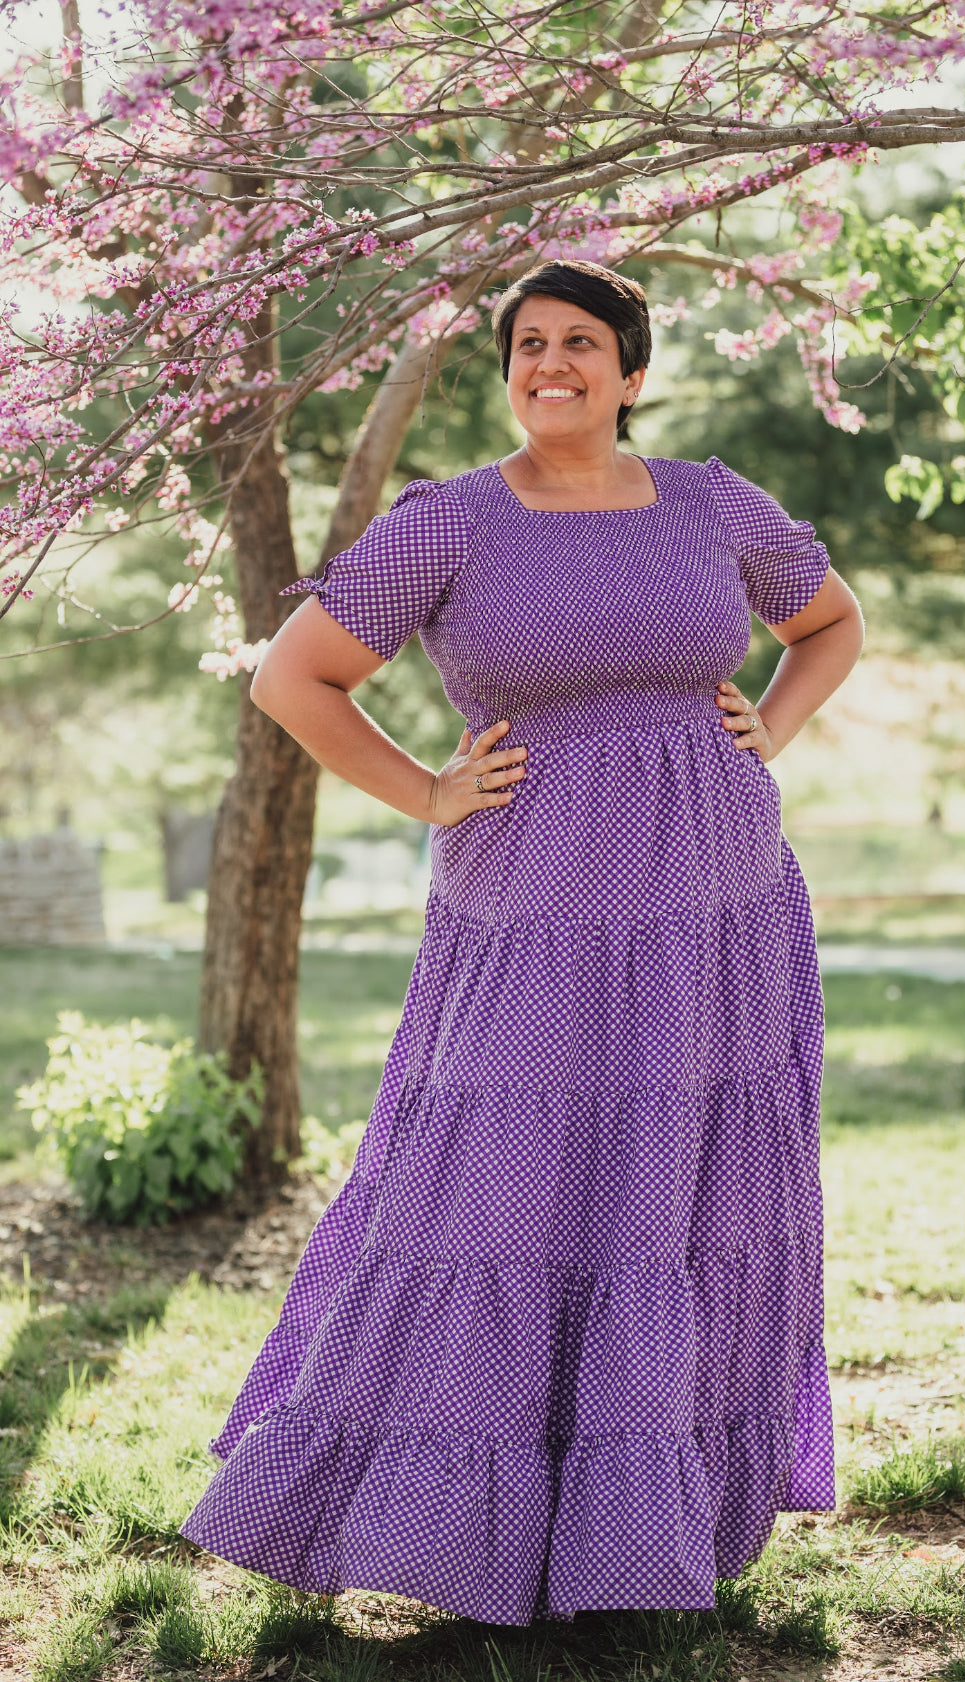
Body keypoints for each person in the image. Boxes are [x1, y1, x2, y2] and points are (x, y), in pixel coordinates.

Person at [181, 258, 865, 1625]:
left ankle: (646, 1535)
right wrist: (428, 789)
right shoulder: (451, 526)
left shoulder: (713, 504)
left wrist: (770, 725)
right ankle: (459, 1531)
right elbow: (291, 675)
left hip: (711, 905)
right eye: (528, 344)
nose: (551, 363)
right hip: (532, 908)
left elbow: (831, 622)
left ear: (632, 368)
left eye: (581, 342)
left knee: (679, 1196)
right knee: (497, 1190)